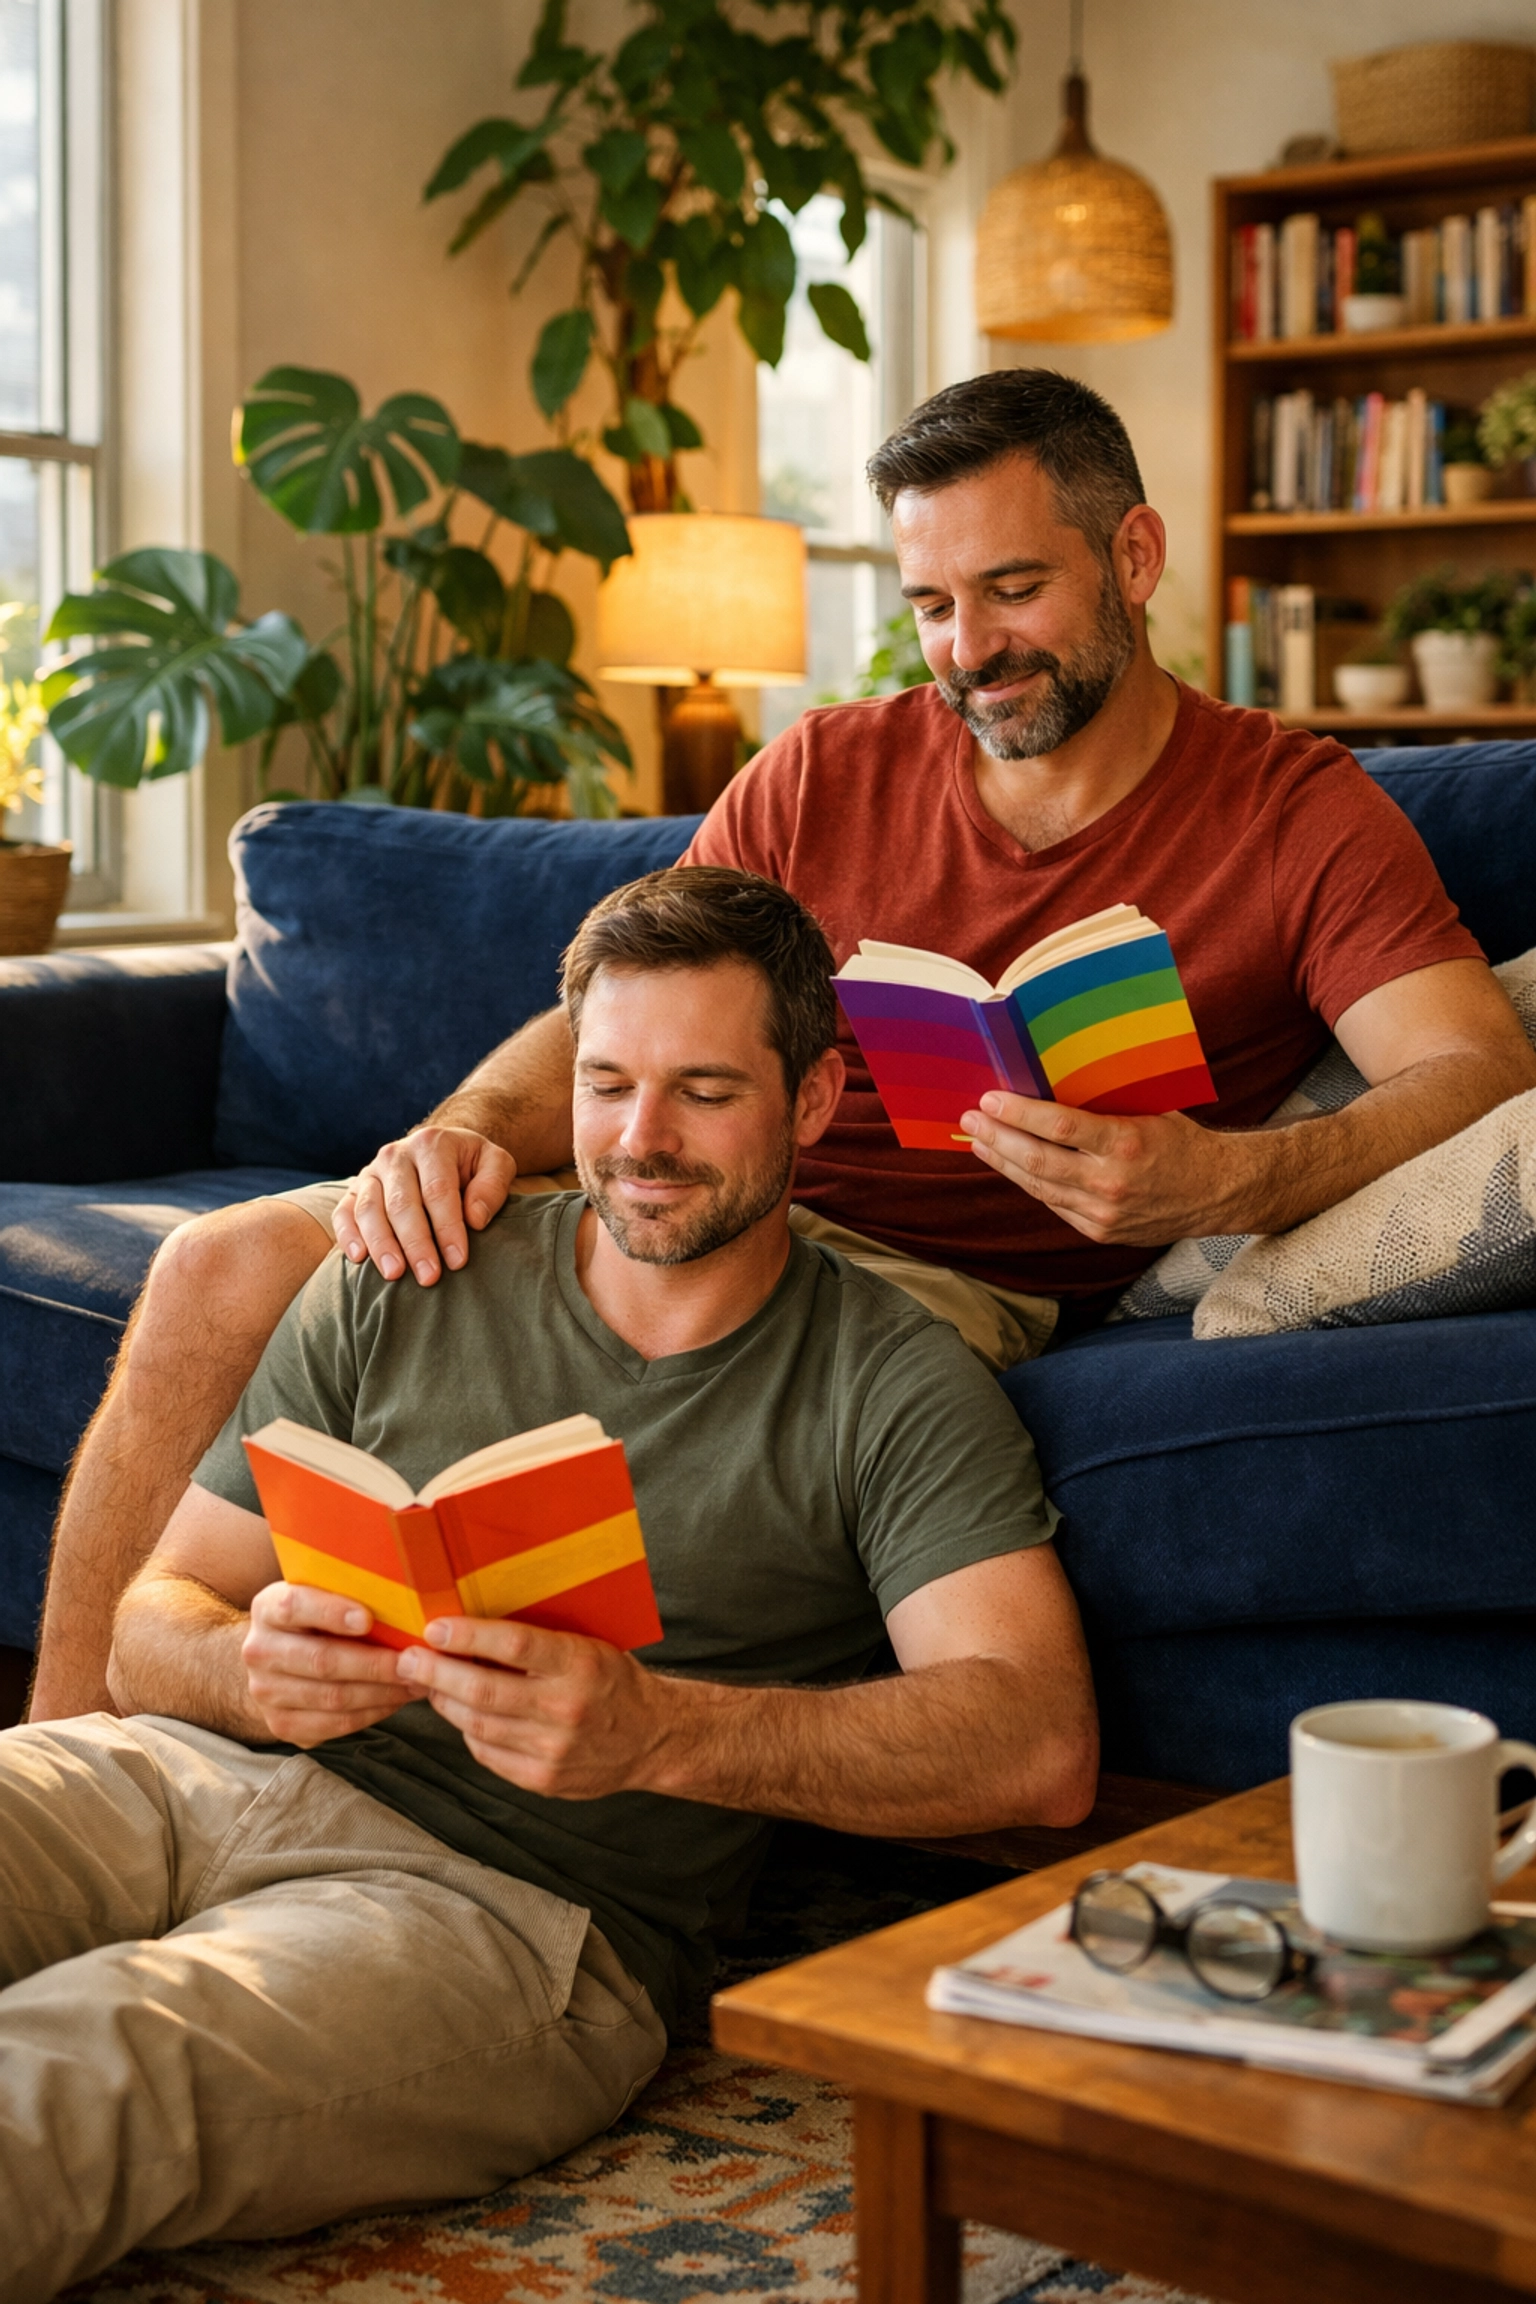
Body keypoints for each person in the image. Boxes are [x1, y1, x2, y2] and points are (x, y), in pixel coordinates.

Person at [31, 368, 1536, 1720]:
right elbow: (618, 1016)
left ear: (1133, 557)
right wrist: (470, 1129)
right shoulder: (825, 769)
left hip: (932, 1277)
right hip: (684, 1176)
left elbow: (1476, 1071)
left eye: (1013, 591)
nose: (970, 652)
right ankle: (58, 1764)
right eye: (933, 605)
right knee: (215, 1261)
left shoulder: (1295, 807)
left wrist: (1231, 1183)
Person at [0, 867, 1096, 2297]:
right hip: (187, 1776)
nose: (641, 1141)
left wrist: (664, 1732)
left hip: (504, 1919)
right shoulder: (406, 1267)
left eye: (705, 1090)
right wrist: (243, 1667)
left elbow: (1040, 1743)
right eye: (607, 1085)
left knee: (61, 2083)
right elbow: (156, 1621)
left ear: (815, 1102)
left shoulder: (890, 1383)